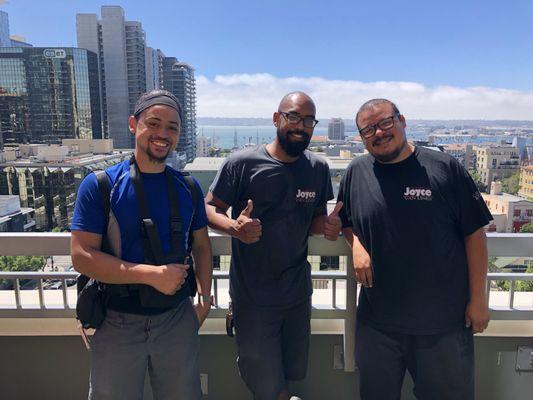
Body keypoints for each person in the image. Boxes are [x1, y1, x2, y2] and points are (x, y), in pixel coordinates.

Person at [338, 98, 493, 400]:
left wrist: (479, 300)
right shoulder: (356, 171)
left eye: (385, 123)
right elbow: (346, 220)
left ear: (402, 121)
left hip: (443, 324)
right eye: (368, 130)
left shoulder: (444, 168)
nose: (379, 133)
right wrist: (355, 244)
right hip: (378, 324)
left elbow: (474, 234)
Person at [71, 90, 213, 400]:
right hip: (116, 320)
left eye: (172, 127)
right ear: (134, 124)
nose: (163, 134)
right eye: (154, 123)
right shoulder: (101, 185)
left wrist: (204, 297)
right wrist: (151, 275)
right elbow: (81, 256)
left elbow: (202, 245)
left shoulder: (187, 187)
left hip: (176, 317)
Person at [205, 92, 343, 400]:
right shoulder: (242, 163)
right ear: (276, 118)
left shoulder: (318, 168)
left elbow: (315, 220)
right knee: (268, 386)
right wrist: (233, 228)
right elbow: (208, 208)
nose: (301, 126)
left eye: (309, 120)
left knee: (288, 377)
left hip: (296, 293)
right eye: (293, 117)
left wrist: (328, 226)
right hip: (253, 297)